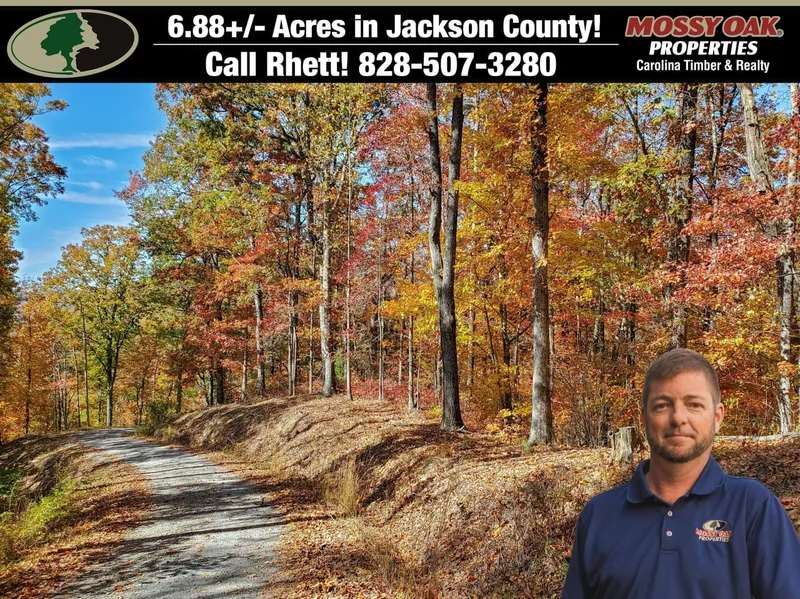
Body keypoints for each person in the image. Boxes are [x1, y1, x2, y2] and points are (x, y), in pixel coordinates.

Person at [562, 348, 800, 599]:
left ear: (717, 417)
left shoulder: (752, 507)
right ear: (644, 417)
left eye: (694, 405)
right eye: (662, 405)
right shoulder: (599, 516)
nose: (678, 418)